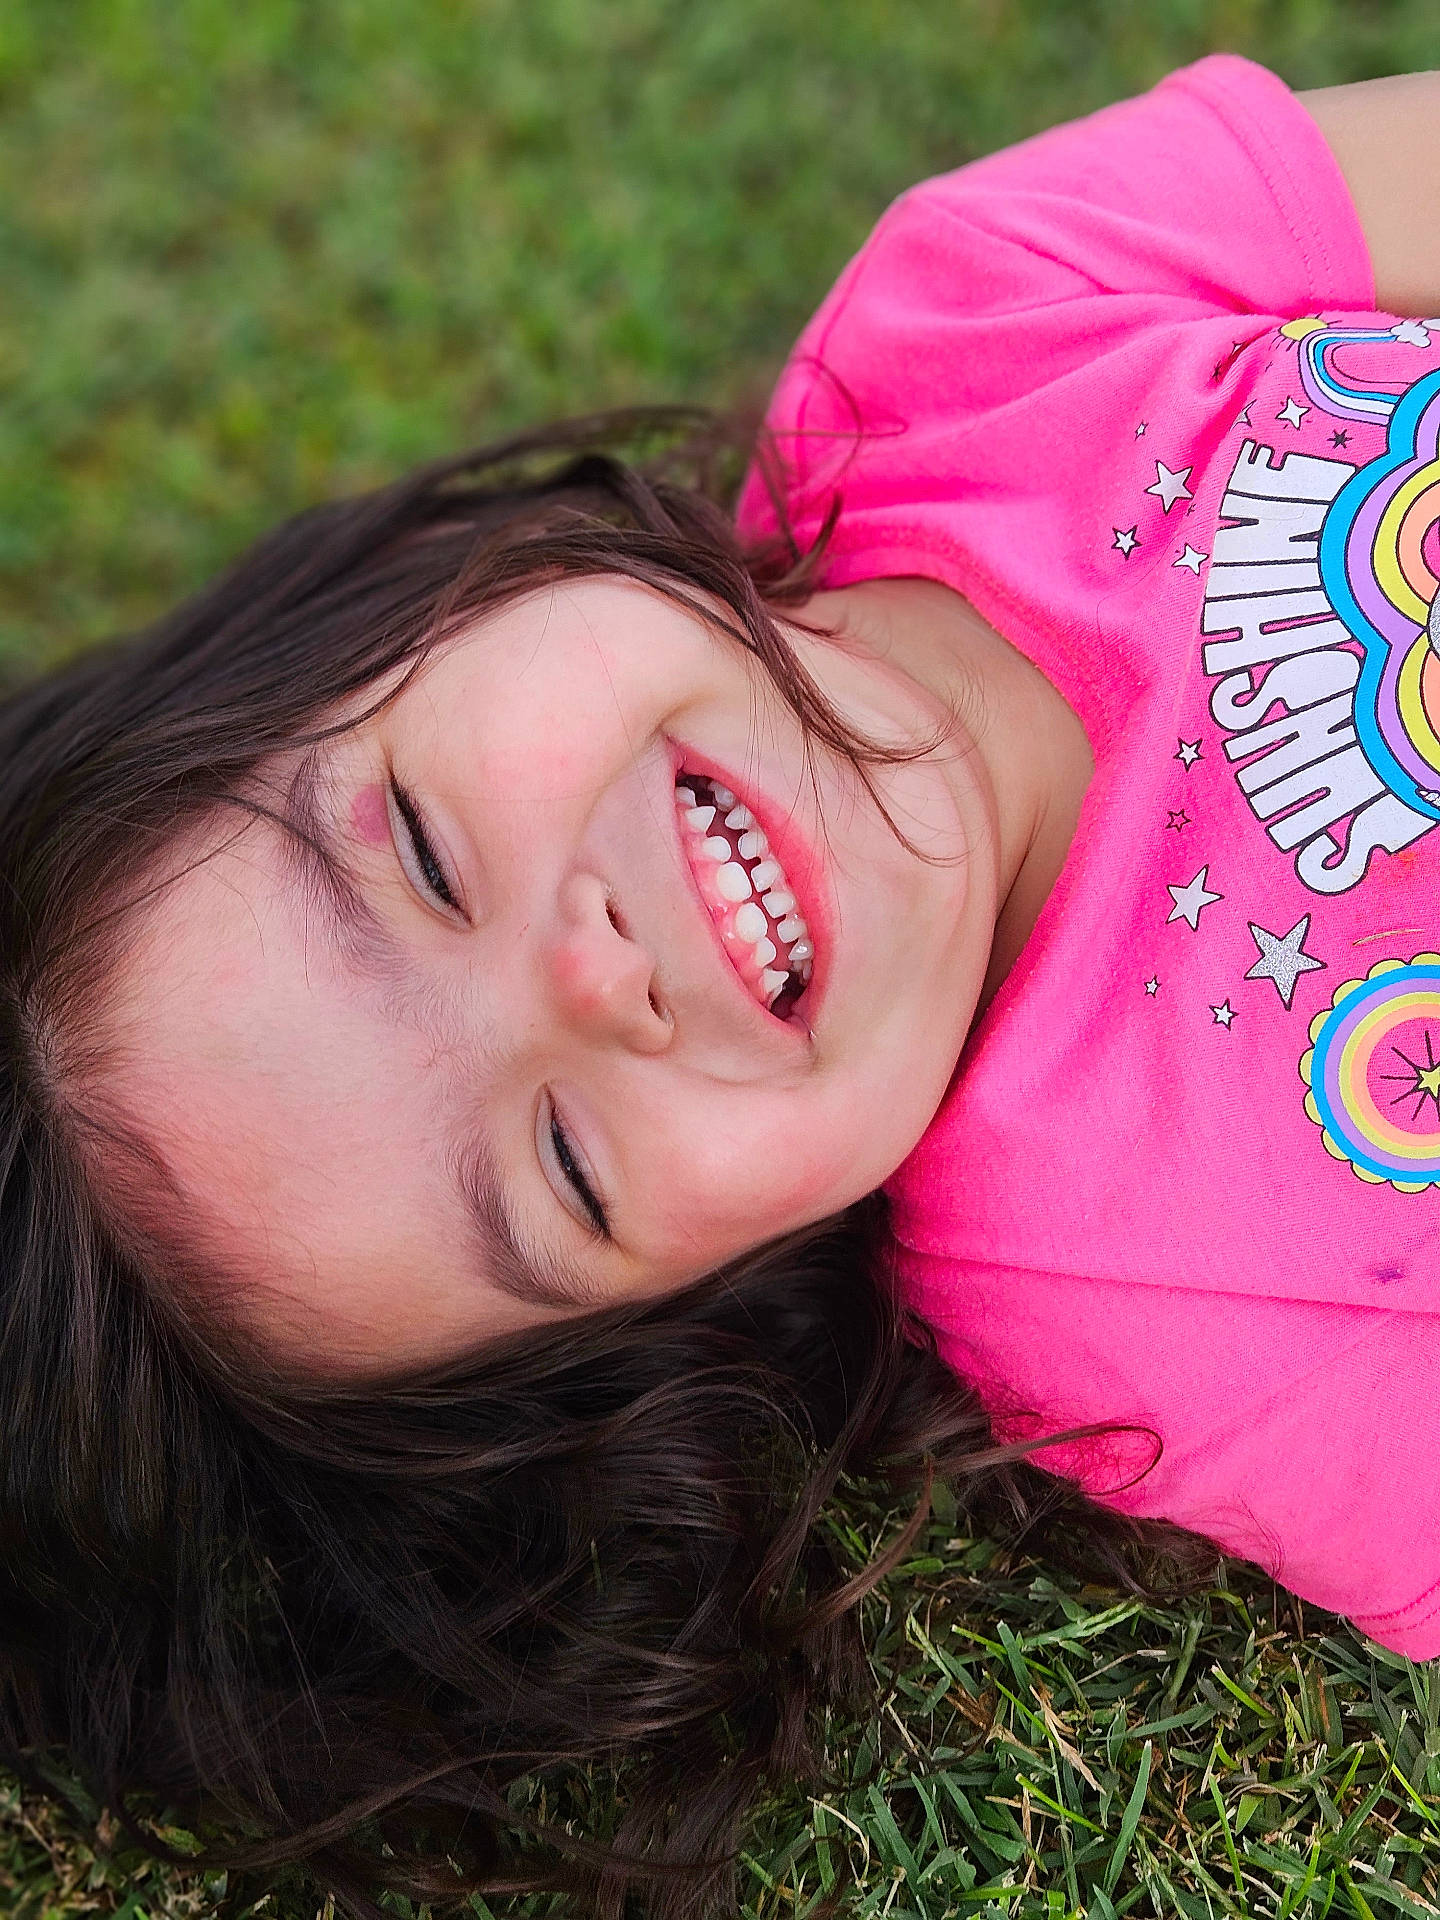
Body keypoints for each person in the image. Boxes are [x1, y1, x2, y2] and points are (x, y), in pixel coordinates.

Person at [1, 47, 1437, 1920]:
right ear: (695, 1312)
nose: (593, 985)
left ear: (433, 603)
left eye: (429, 855)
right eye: (568, 1171)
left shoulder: (979, 316)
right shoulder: (1153, 1304)